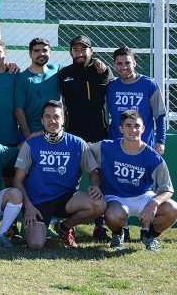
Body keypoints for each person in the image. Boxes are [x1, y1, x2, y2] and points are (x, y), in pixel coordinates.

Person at [13, 100, 106, 249]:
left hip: (66, 198)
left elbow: (93, 172)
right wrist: (28, 206)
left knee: (99, 204)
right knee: (36, 244)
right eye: (48, 117)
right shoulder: (31, 144)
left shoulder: (78, 143)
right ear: (42, 120)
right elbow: (17, 181)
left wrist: (95, 186)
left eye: (56, 116)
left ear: (63, 119)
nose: (52, 121)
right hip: (38, 201)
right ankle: (35, 226)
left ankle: (64, 227)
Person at [90, 110, 177, 251]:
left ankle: (149, 236)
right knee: (112, 214)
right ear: (121, 129)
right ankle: (118, 234)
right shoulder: (106, 147)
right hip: (116, 198)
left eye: (137, 126)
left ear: (143, 129)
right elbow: (82, 150)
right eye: (128, 126)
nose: (133, 130)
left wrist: (154, 203)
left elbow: (167, 189)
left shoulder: (152, 157)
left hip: (143, 197)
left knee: (173, 209)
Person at [58, 34, 114, 242]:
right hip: (72, 137)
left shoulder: (102, 71)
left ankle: (100, 226)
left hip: (99, 135)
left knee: (99, 181)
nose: (80, 53)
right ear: (71, 52)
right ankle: (67, 225)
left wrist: (104, 64)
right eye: (76, 50)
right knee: (71, 181)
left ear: (92, 51)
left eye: (84, 49)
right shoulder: (63, 74)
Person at [107, 46, 167, 155]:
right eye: (119, 63)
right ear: (114, 65)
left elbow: (160, 115)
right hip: (116, 146)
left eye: (127, 63)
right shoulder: (111, 87)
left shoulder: (149, 85)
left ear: (134, 63)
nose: (124, 67)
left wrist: (160, 141)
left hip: (143, 146)